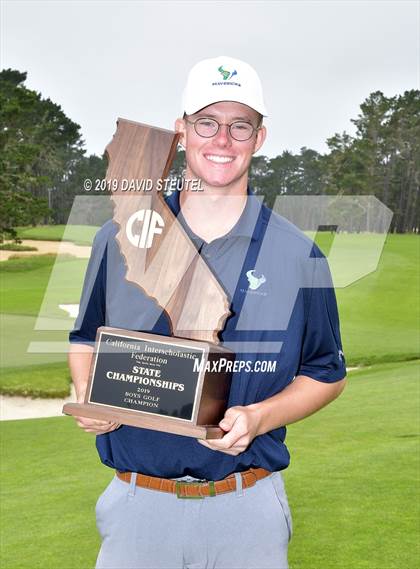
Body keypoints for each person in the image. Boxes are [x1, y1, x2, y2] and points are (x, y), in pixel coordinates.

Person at [69, 55, 347, 569]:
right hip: (137, 508)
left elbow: (326, 373)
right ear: (181, 131)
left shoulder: (298, 254)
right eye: (207, 122)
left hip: (247, 507)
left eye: (240, 125)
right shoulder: (120, 238)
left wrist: (261, 417)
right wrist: (89, 394)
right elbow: (85, 338)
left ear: (259, 138)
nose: (223, 140)